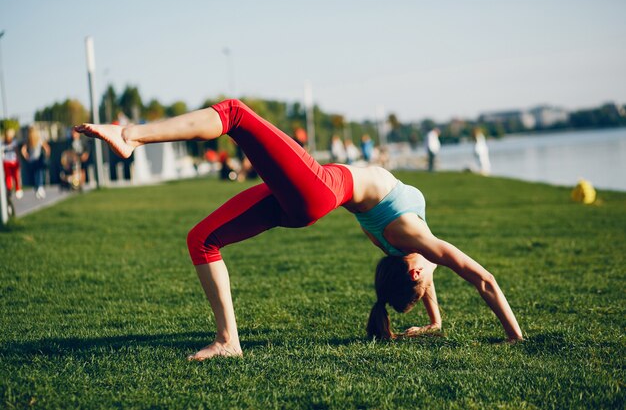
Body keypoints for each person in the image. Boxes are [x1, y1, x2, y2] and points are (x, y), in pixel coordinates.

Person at [74, 99, 523, 360]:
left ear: (412, 273)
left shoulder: (413, 242)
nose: (431, 278)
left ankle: (131, 136)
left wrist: (513, 338)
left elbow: (483, 279)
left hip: (320, 189)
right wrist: (437, 322)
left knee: (234, 112)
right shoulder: (412, 250)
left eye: (426, 284)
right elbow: (446, 275)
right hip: (307, 199)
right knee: (202, 239)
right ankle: (229, 341)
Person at [21, 126, 50, 199]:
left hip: (31, 160)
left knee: (35, 175)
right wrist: (46, 155)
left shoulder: (28, 140)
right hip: (38, 160)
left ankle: (37, 189)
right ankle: (40, 188)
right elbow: (47, 148)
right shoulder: (39, 139)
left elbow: (23, 150)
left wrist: (26, 156)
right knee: (39, 174)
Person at [2, 129, 23, 199]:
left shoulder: (14, 142)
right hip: (6, 162)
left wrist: (19, 161)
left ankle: (18, 190)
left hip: (14, 162)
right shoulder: (2, 143)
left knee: (16, 176)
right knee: (8, 177)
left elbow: (17, 153)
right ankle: (9, 190)